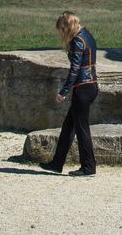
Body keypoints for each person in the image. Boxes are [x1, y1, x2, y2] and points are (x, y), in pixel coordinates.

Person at [39, 11, 99, 177]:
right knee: (69, 127)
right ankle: (57, 163)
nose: (61, 33)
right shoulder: (87, 35)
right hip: (91, 85)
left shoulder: (77, 41)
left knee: (81, 129)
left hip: (83, 88)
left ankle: (88, 167)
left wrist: (64, 91)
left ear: (67, 27)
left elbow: (75, 69)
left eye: (62, 29)